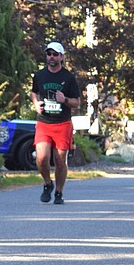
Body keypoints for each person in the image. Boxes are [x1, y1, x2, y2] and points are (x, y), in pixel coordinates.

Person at [31, 41, 80, 205]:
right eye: (48, 54)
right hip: (44, 122)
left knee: (60, 160)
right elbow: (34, 92)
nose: (51, 57)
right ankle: (47, 183)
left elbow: (77, 102)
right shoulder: (39, 75)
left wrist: (64, 99)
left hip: (62, 124)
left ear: (61, 57)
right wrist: (36, 104)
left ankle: (59, 192)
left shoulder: (68, 77)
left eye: (54, 54)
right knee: (41, 157)